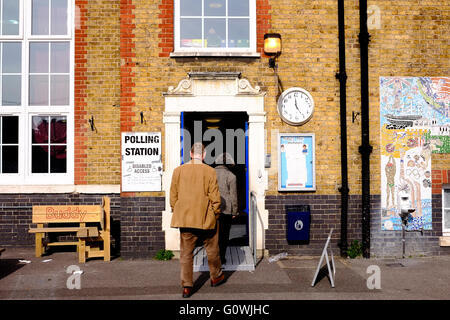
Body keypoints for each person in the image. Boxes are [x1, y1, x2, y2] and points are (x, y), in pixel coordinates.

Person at [170, 142, 225, 298]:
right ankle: (216, 277)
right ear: (205, 155)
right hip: (206, 217)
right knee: (212, 249)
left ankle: (187, 286)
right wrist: (216, 213)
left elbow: (173, 195)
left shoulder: (178, 171)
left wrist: (177, 210)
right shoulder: (210, 171)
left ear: (190, 153)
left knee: (186, 253)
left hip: (185, 218)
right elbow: (215, 196)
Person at [214, 153, 238, 265]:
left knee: (212, 236)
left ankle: (213, 259)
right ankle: (222, 259)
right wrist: (235, 211)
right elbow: (233, 196)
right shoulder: (231, 176)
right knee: (224, 236)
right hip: (227, 210)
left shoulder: (210, 173)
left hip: (212, 209)